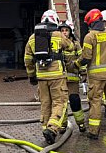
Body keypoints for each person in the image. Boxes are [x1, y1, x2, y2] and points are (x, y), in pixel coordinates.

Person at [24, 10, 74, 144]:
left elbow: (28, 59)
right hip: (57, 76)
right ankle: (52, 129)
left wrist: (31, 76)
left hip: (41, 77)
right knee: (59, 102)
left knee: (45, 104)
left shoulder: (32, 38)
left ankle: (46, 129)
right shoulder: (58, 35)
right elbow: (70, 46)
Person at [75, 9, 106, 139]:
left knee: (95, 101)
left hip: (96, 77)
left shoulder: (90, 36)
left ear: (91, 23)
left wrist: (76, 64)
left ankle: (93, 132)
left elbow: (86, 57)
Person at [59, 20, 86, 132]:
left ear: (70, 32)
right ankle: (62, 125)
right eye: (62, 30)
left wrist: (83, 72)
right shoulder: (57, 43)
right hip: (60, 79)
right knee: (62, 102)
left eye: (66, 30)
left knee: (74, 100)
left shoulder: (76, 44)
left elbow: (82, 58)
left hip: (73, 79)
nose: (64, 33)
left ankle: (81, 123)